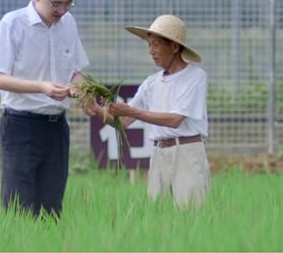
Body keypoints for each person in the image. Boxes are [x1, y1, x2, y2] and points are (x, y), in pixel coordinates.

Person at [0, 0, 89, 218]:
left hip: (57, 127)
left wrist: (76, 86)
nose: (62, 10)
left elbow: (77, 70)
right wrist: (42, 87)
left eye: (68, 3)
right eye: (56, 4)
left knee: (51, 208)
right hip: (21, 125)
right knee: (18, 205)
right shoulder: (13, 23)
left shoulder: (68, 23)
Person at [86, 14, 210, 207]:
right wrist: (96, 109)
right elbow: (124, 122)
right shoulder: (151, 83)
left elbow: (175, 120)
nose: (151, 51)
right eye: (149, 45)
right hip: (159, 152)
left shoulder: (195, 77)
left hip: (187, 151)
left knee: (191, 213)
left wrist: (133, 112)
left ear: (175, 47)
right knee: (157, 213)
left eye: (156, 45)